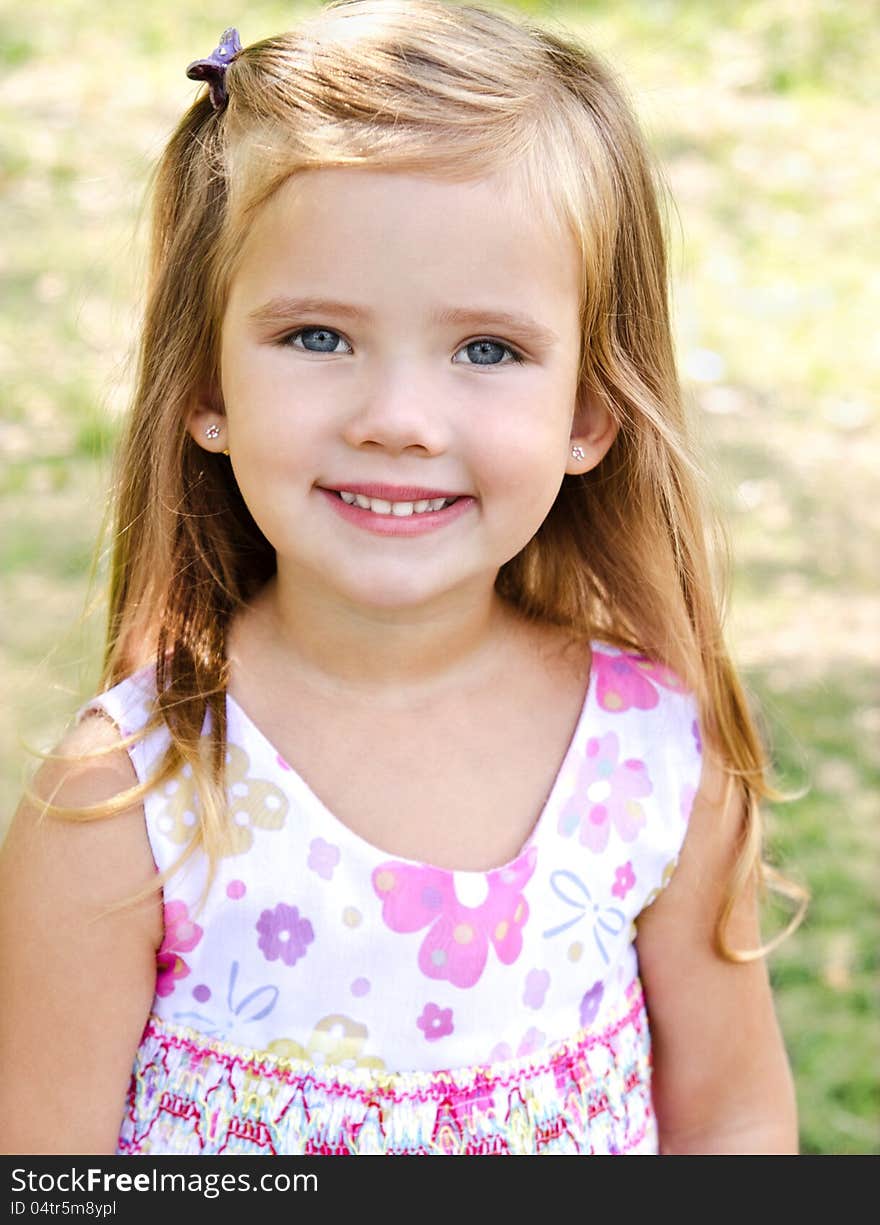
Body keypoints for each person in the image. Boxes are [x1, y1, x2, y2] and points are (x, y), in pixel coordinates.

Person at [0, 0, 807, 1156]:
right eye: (318, 336)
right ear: (208, 390)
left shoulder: (655, 755)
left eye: (487, 349)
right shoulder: (126, 805)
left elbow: (730, 1116)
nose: (397, 421)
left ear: (587, 409)